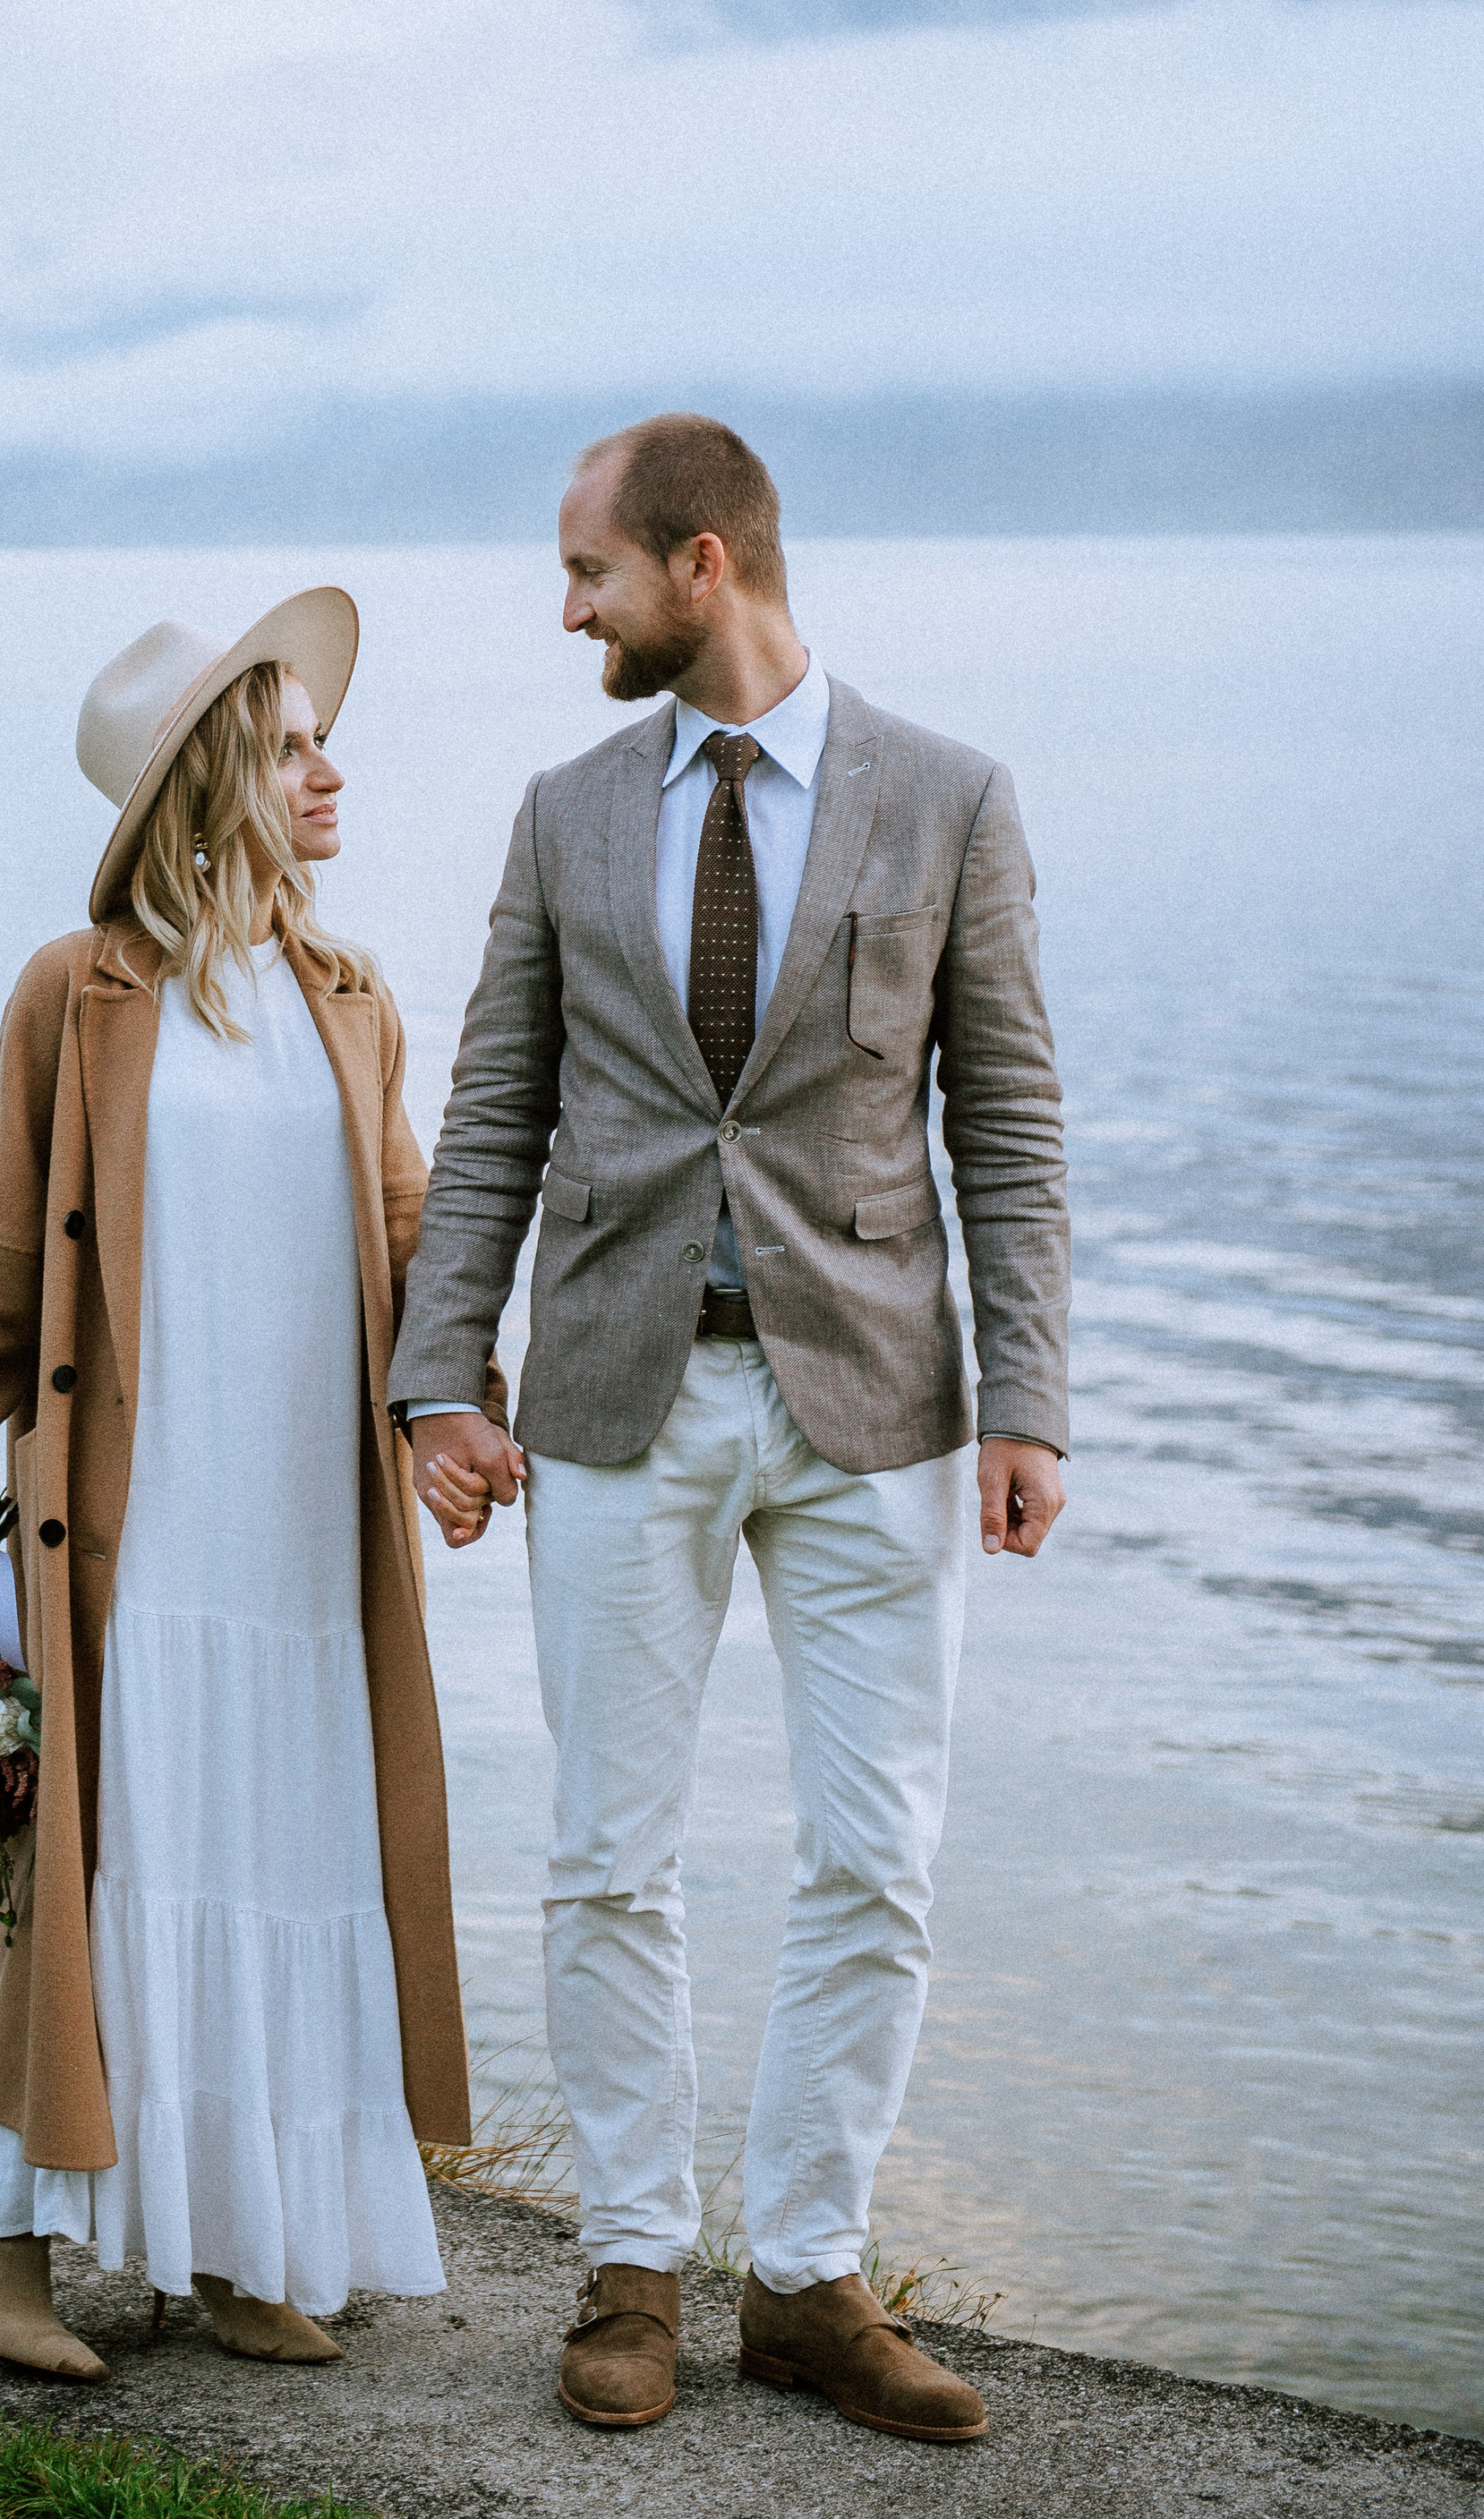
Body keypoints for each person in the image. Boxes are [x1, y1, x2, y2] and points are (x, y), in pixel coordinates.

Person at [392, 416, 1070, 2445]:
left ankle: (801, 2277)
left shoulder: (946, 799)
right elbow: (493, 1108)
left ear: (703, 565)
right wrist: (445, 1375)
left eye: (587, 570)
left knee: (877, 1858)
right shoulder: (560, 811)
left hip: (873, 1409)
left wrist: (1024, 1397)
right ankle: (626, 2266)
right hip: (612, 1393)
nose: (565, 607)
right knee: (607, 1855)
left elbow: (1006, 1121)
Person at [0, 588, 482, 2380]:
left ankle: (227, 2245)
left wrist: (457, 1412)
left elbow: (408, 1232)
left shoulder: (349, 996)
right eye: (292, 748)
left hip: (306, 1543)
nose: (327, 775)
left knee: (284, 1866)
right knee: (105, 1883)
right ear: (208, 778)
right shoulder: (80, 994)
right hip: (132, 1544)